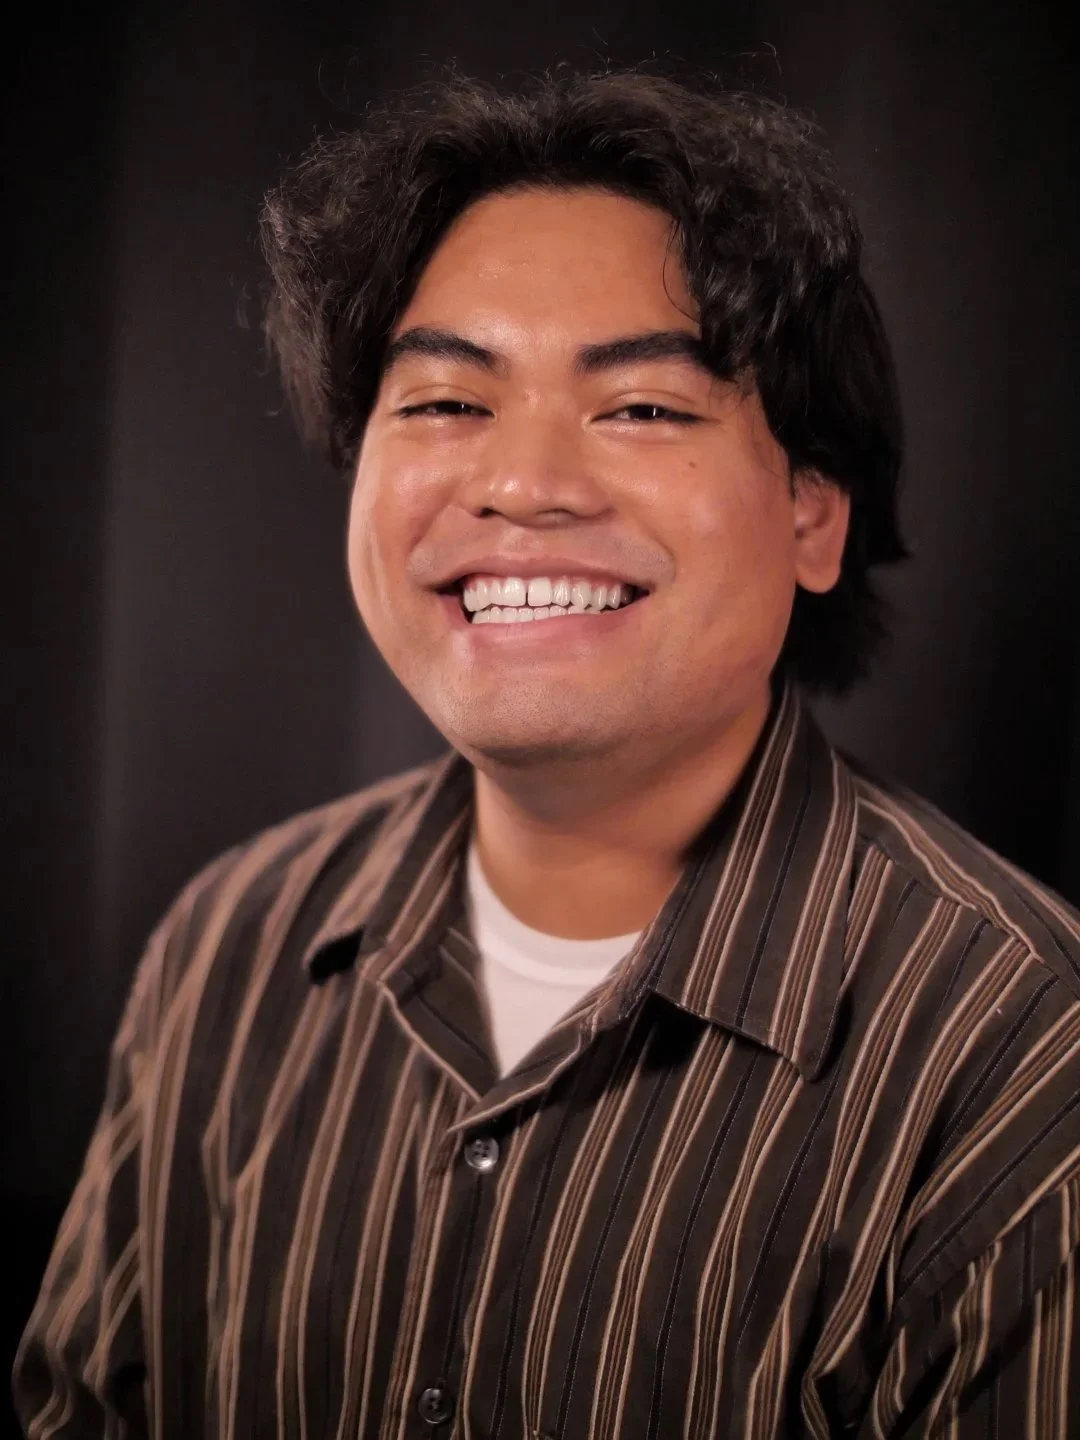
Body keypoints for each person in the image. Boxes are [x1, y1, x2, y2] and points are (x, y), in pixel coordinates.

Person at [14, 70, 1080, 1439]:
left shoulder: (1021, 1060)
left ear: (815, 516)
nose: (522, 484)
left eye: (641, 408)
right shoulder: (232, 947)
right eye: (447, 405)